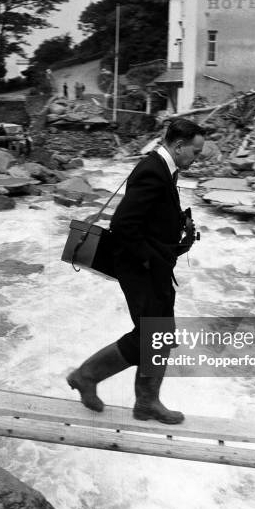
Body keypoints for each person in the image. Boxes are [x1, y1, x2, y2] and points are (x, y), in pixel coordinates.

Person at [67, 118, 205, 424]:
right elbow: (123, 226)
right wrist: (152, 260)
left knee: (159, 335)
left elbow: (148, 217)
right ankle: (89, 378)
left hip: (152, 266)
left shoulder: (164, 170)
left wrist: (176, 228)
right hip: (141, 268)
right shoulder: (152, 171)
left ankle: (143, 400)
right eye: (195, 152)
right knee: (154, 335)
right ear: (179, 145)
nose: (196, 159)